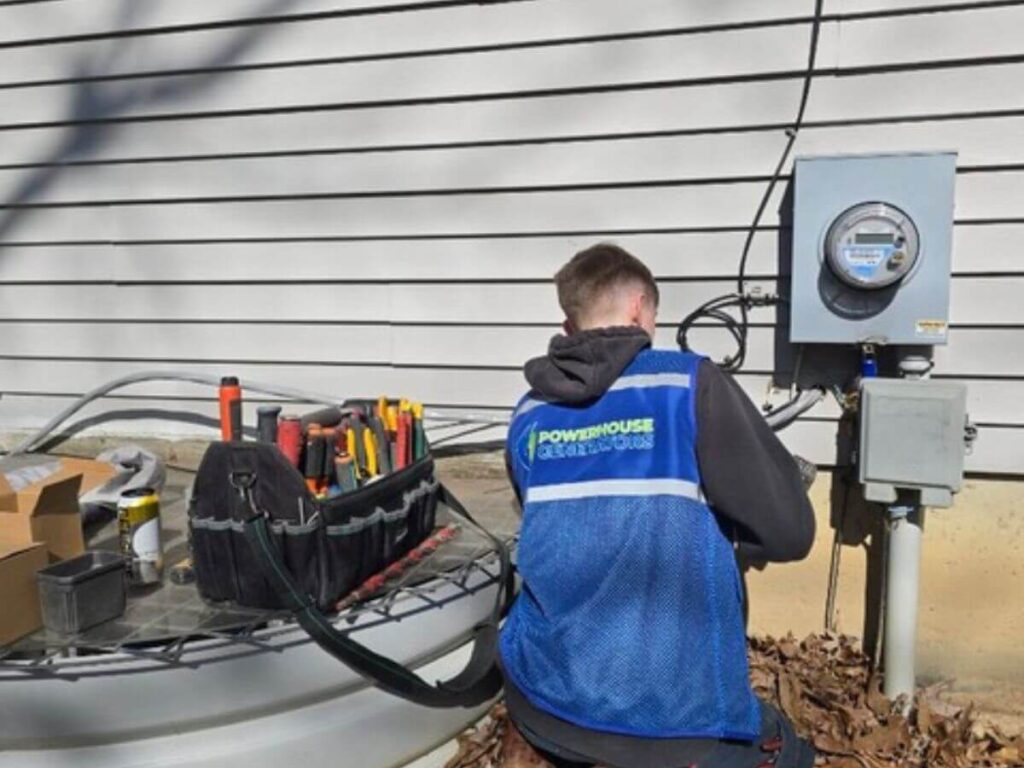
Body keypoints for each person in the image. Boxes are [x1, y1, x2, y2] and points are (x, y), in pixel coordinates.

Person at [501, 244, 817, 768]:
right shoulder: (687, 384)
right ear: (639, 309)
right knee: (792, 756)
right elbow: (790, 533)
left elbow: (548, 521)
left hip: (544, 701)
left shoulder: (529, 413)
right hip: (673, 723)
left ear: (569, 323)